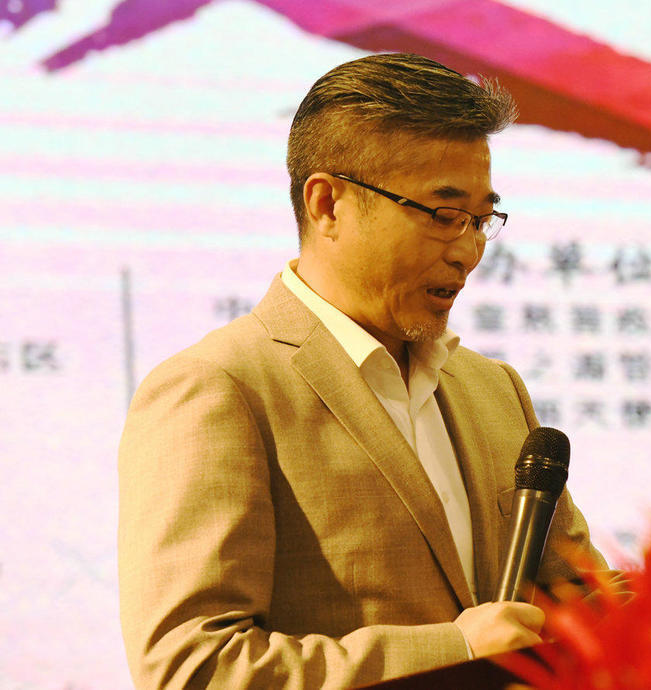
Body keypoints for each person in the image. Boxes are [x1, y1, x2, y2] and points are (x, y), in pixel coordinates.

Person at [118, 53, 608, 690]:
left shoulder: (493, 389)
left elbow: (583, 599)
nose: (468, 250)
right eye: (443, 214)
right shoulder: (219, 389)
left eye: (482, 219)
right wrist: (456, 648)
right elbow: (193, 667)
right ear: (327, 204)